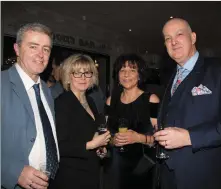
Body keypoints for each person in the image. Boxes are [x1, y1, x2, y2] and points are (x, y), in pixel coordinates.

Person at [154, 18, 221, 189]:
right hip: (166, 176)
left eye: (179, 34)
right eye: (167, 38)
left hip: (203, 177)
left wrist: (189, 137)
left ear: (193, 37)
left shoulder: (219, 70)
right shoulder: (171, 77)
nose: (173, 42)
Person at [1, 23, 59, 189]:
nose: (41, 55)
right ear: (17, 49)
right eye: (33, 46)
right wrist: (11, 171)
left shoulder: (47, 92)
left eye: (46, 49)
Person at [50, 54, 111, 189]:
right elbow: (60, 146)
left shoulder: (91, 101)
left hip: (90, 172)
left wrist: (100, 149)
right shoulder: (62, 103)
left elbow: (91, 134)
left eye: (87, 73)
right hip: (70, 176)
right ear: (68, 76)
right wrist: (91, 144)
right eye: (77, 73)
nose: (83, 77)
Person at [103, 53, 160, 189]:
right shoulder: (111, 101)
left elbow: (160, 139)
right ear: (118, 75)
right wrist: (112, 140)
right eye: (122, 70)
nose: (126, 75)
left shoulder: (151, 100)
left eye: (132, 70)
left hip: (142, 168)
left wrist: (139, 138)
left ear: (139, 75)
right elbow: (105, 135)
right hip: (115, 168)